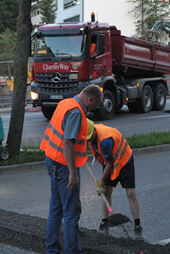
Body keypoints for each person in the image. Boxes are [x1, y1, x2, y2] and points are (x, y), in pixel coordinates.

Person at [40, 85, 103, 254]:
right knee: (71, 211)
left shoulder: (66, 103)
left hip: (52, 159)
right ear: (90, 99)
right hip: (64, 165)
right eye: (95, 104)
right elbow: (68, 143)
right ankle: (72, 251)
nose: (94, 109)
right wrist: (73, 174)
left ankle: (52, 249)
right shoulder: (76, 112)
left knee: (56, 207)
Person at [89, 123, 142, 233]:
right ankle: (104, 221)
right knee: (106, 191)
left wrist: (101, 182)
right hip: (110, 160)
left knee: (130, 193)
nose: (89, 140)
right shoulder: (89, 135)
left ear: (94, 130)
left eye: (90, 137)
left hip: (124, 161)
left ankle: (137, 224)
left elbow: (109, 164)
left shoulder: (105, 141)